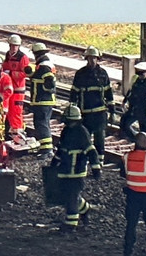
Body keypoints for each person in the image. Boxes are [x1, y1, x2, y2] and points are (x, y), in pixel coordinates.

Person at [51, 105, 101, 233]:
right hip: (65, 170)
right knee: (68, 194)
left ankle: (70, 224)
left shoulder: (82, 132)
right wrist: (55, 162)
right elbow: (61, 149)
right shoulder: (66, 131)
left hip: (77, 171)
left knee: (71, 197)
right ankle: (85, 209)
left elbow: (91, 151)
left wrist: (96, 168)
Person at [69, 46, 114, 164]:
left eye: (94, 58)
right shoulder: (80, 74)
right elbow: (74, 92)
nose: (92, 61)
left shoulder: (103, 74)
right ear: (86, 59)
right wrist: (72, 109)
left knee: (100, 139)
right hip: (85, 113)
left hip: (100, 113)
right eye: (90, 58)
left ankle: (99, 161)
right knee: (85, 139)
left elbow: (109, 93)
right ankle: (85, 160)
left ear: (98, 59)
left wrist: (112, 111)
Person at [27, 42, 56, 159]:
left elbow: (49, 82)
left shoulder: (44, 66)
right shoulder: (44, 64)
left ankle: (47, 150)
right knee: (43, 123)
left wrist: (43, 90)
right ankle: (45, 148)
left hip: (42, 100)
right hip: (44, 100)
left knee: (41, 124)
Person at [120, 61, 146, 140]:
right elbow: (130, 91)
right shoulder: (135, 79)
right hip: (134, 108)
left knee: (145, 133)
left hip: (145, 112)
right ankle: (136, 139)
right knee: (124, 123)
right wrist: (124, 101)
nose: (140, 76)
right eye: (138, 74)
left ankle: (144, 146)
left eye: (141, 74)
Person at [2, 34, 30, 134]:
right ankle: (11, 132)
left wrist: (11, 73)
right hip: (9, 88)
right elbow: (5, 66)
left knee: (16, 112)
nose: (14, 47)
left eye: (15, 46)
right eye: (12, 45)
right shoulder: (8, 55)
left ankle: (18, 131)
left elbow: (26, 73)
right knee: (8, 111)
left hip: (18, 89)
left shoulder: (22, 57)